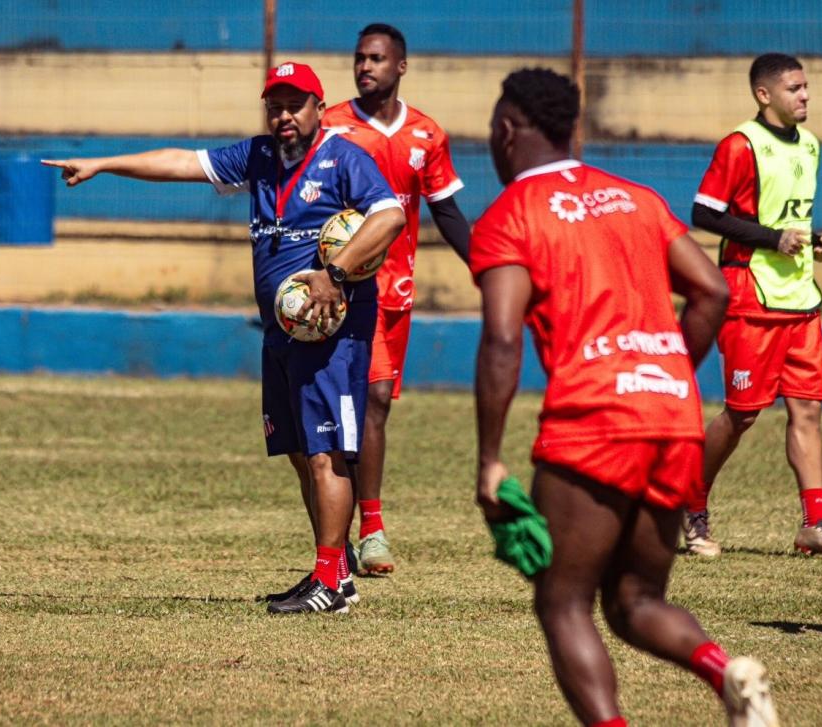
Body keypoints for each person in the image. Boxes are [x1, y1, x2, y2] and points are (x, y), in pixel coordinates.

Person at [472, 68, 778, 726]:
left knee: (563, 601)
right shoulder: (634, 197)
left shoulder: (509, 217)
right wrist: (664, 368)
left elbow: (501, 339)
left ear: (506, 132)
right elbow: (713, 293)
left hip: (594, 419)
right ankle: (728, 672)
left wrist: (489, 459)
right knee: (636, 600)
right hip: (673, 414)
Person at [42, 62, 406, 614]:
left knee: (327, 454)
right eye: (275, 105)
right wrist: (103, 163)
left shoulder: (344, 157)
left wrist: (334, 274)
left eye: (295, 104)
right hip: (284, 330)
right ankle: (330, 573)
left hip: (331, 333)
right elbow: (182, 162)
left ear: (318, 105)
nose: (284, 115)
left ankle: (333, 583)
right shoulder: (259, 156)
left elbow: (390, 216)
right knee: (302, 453)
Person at [685, 52, 822, 558]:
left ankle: (815, 524)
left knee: (807, 410)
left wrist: (810, 241)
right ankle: (691, 507)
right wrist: (771, 239)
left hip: (800, 299)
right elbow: (704, 212)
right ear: (764, 95)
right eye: (794, 89)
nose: (805, 96)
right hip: (750, 298)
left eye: (806, 88)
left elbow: (787, 215)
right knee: (742, 414)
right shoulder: (740, 146)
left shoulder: (812, 145)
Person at [323, 23, 470, 574]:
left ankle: (369, 529)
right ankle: (355, 532)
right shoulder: (332, 127)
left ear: (400, 66)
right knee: (350, 410)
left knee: (373, 405)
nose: (366, 67)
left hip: (395, 292)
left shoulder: (426, 135)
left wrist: (488, 268)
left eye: (378, 59)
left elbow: (448, 214)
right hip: (337, 289)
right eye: (360, 58)